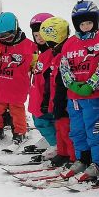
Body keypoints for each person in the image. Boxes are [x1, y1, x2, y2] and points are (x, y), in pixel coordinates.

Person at [59, 0, 99, 180]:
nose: (86, 26)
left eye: (90, 22)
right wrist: (72, 84)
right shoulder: (69, 44)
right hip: (74, 97)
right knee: (77, 130)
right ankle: (84, 158)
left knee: (96, 131)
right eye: (82, 24)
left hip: (95, 97)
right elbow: (64, 67)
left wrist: (91, 84)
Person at [0, 12, 37, 153]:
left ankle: (19, 132)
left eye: (9, 37)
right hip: (0, 87)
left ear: (16, 29)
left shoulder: (29, 47)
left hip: (17, 88)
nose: (5, 40)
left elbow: (37, 65)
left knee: (17, 112)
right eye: (2, 38)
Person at [39, 17, 75, 166]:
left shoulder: (65, 53)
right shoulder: (55, 53)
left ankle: (73, 157)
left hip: (66, 99)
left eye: (49, 42)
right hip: (56, 98)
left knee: (67, 130)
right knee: (59, 127)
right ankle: (62, 153)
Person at [27, 13, 57, 157]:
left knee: (43, 120)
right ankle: (50, 139)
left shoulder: (53, 52)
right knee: (39, 119)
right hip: (38, 94)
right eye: (35, 35)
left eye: (41, 35)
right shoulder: (40, 52)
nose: (38, 38)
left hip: (46, 96)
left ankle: (55, 144)